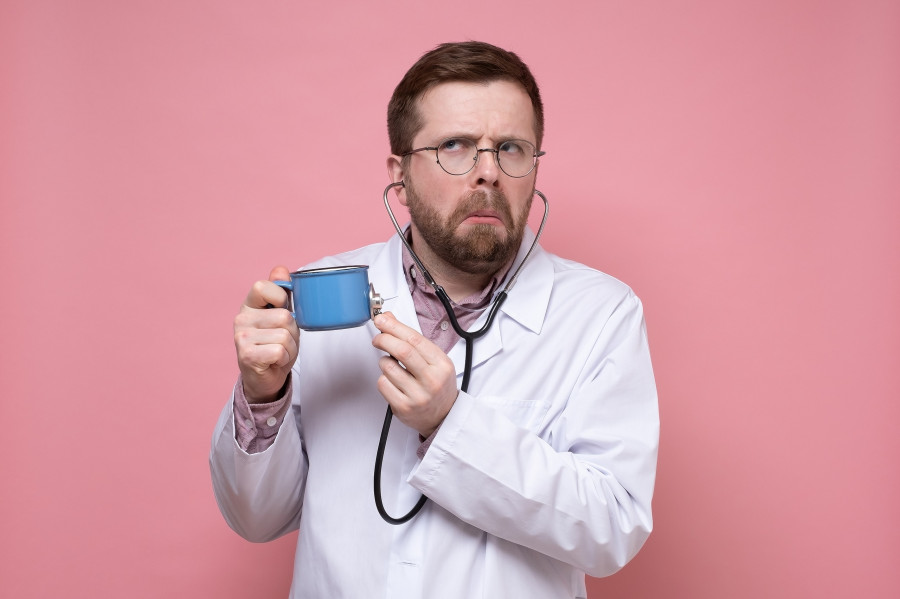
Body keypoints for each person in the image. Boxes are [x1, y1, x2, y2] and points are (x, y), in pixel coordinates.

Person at [210, 41, 659, 599]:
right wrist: (262, 395)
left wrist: (450, 423)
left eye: (512, 149)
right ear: (399, 176)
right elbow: (256, 519)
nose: (489, 172)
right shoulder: (321, 297)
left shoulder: (599, 314)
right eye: (456, 146)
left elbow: (612, 529)